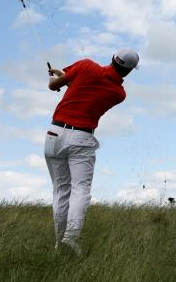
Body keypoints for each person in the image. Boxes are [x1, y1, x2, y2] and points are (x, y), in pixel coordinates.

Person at [44, 48, 139, 255]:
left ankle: (60, 244)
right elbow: (89, 91)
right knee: (81, 190)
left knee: (61, 190)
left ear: (113, 58)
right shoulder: (119, 94)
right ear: (130, 71)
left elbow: (54, 86)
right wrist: (68, 79)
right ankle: (71, 239)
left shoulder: (85, 65)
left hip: (54, 133)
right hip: (82, 138)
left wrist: (57, 77)